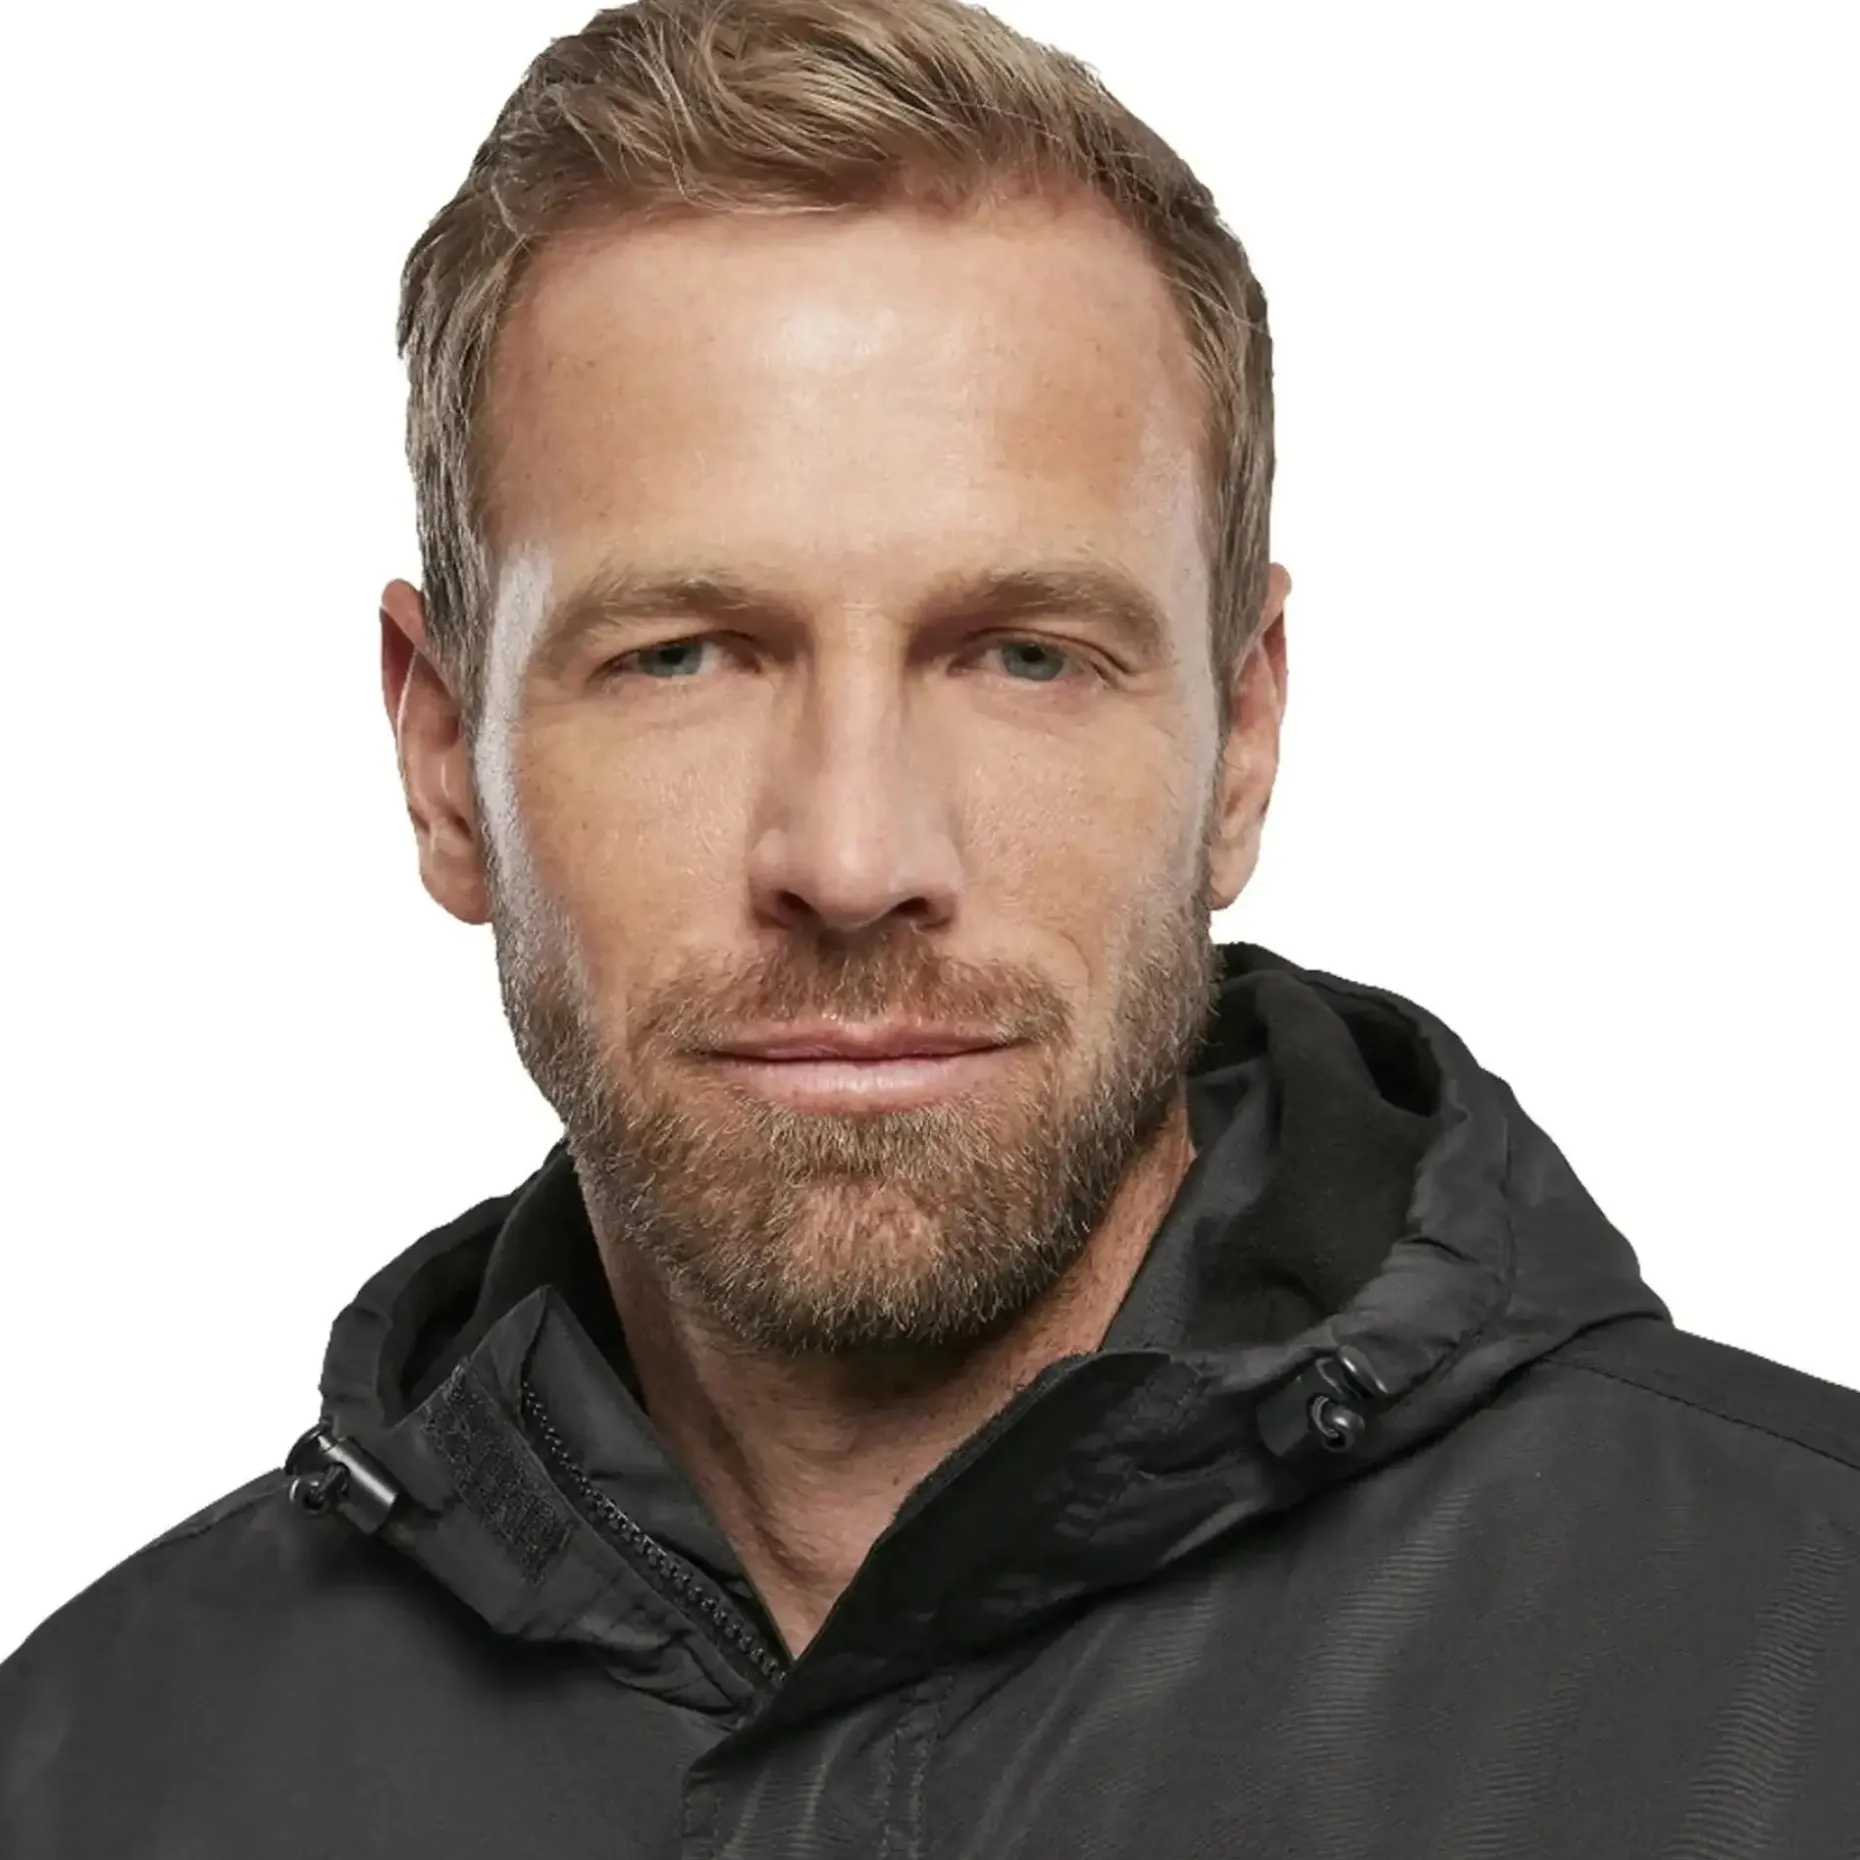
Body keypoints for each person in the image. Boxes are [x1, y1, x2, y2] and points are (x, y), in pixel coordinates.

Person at [5, 0, 1858, 1852]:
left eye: (1025, 655)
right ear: (440, 760)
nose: (853, 854)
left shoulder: (1809, 1662)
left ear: (1243, 741)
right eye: (682, 656)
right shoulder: (90, 1777)